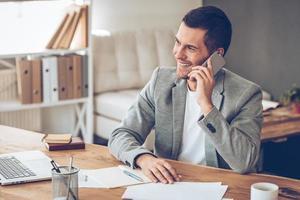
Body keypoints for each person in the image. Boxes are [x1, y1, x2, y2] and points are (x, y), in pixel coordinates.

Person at [108, 6, 263, 184]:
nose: (178, 54)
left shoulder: (247, 94)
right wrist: (144, 159)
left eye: (190, 48)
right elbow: (121, 135)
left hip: (218, 187)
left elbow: (243, 162)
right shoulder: (161, 81)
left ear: (216, 55)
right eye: (177, 42)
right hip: (168, 184)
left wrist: (207, 105)